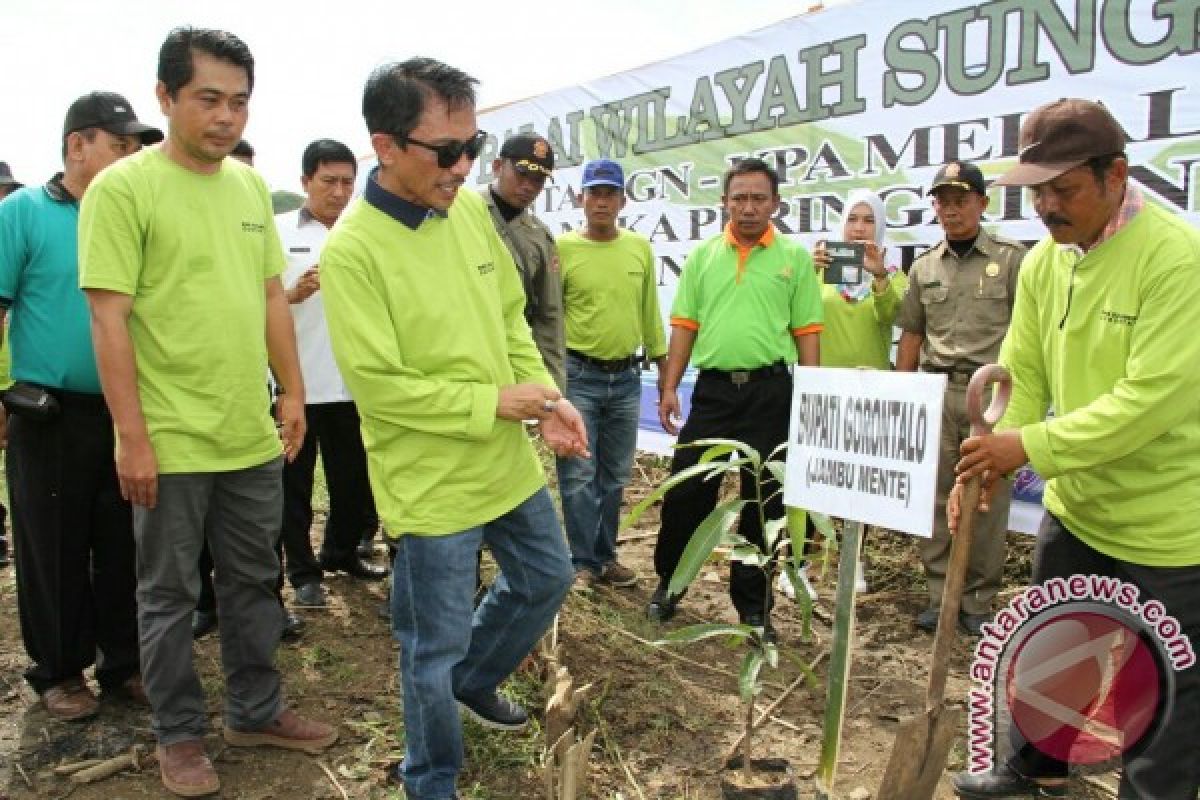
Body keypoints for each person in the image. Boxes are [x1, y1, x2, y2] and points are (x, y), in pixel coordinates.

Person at [78, 27, 336, 798]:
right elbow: (108, 319)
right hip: (169, 438)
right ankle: (179, 734)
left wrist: (290, 390)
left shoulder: (252, 189)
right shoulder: (122, 190)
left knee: (256, 581)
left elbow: (267, 298)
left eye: (240, 102)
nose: (227, 118)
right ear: (166, 97)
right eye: (209, 100)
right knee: (168, 595)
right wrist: (132, 437)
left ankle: (255, 709)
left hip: (246, 432)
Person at [318, 57, 586, 800]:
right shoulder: (354, 252)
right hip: (430, 482)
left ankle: (474, 678)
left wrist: (545, 397)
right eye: (447, 151)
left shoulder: (464, 208)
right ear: (386, 145)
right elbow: (382, 388)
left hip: (501, 459)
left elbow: (506, 316)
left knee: (547, 576)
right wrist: (492, 403)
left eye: (473, 144)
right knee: (428, 646)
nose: (465, 165)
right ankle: (430, 779)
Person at [950, 98, 1200, 800]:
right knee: (1056, 656)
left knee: (1166, 705)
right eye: (1038, 191)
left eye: (1065, 190)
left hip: (1170, 527)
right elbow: (1021, 375)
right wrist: (991, 455)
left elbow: (1148, 403)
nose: (1047, 208)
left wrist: (1024, 446)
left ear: (1116, 175)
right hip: (1080, 507)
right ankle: (1033, 772)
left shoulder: (1175, 260)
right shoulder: (1046, 264)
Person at [0, 91, 160, 722]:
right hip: (50, 414)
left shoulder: (130, 213)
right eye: (118, 147)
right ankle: (60, 671)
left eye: (134, 150)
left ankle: (124, 663)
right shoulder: (24, 213)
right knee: (53, 547)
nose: (129, 160)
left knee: (126, 545)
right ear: (76, 146)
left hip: (126, 411)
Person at [648, 157, 823, 637]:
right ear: (724, 202)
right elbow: (684, 326)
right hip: (713, 394)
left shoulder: (794, 259)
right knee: (687, 491)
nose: (748, 207)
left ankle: (754, 606)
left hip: (772, 392)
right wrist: (668, 386)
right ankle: (670, 583)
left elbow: (807, 333)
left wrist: (812, 399)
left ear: (776, 204)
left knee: (764, 501)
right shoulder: (704, 256)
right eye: (739, 198)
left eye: (758, 198)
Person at [894, 160, 1026, 636]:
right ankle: (939, 594)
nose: (950, 210)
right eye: (942, 201)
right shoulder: (925, 265)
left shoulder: (1012, 260)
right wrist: (904, 393)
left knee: (986, 497)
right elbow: (911, 333)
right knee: (934, 496)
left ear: (982, 203)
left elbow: (1027, 334)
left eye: (961, 200)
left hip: (990, 396)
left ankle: (977, 602)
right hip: (935, 389)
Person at [189, 138, 307, 643]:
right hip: (187, 404)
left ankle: (268, 606)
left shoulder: (253, 228)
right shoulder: (186, 221)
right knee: (193, 522)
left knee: (258, 525)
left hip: (250, 397)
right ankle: (203, 604)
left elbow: (271, 303)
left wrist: (287, 388)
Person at [779, 188, 909, 601]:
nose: (858, 228)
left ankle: (851, 559)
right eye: (852, 219)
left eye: (868, 220)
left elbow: (894, 317)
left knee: (860, 480)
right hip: (819, 392)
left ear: (880, 227)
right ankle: (797, 562)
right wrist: (805, 270)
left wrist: (878, 277)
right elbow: (789, 317)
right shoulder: (815, 268)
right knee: (810, 479)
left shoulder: (893, 275)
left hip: (869, 393)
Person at [277, 138, 384, 615]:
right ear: (305, 182)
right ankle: (302, 574)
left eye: (347, 182)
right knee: (294, 486)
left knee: (354, 481)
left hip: (353, 382)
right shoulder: (277, 233)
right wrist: (293, 292)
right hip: (297, 381)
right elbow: (255, 302)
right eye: (329, 181)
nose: (340, 192)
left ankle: (341, 553)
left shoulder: (365, 232)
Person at [556, 158, 666, 590]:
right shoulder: (562, 250)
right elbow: (552, 316)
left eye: (609, 193)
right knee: (579, 474)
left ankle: (604, 556)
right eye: (594, 193)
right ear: (580, 198)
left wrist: (664, 377)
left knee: (615, 475)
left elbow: (648, 314)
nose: (601, 201)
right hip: (579, 374)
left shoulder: (639, 247)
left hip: (625, 378)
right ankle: (582, 562)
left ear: (622, 199)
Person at [481, 131, 565, 388]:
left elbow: (549, 317)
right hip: (469, 355)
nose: (529, 186)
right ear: (497, 167)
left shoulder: (540, 238)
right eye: (522, 174)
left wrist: (554, 390)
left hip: (517, 359)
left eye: (539, 180)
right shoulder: (462, 214)